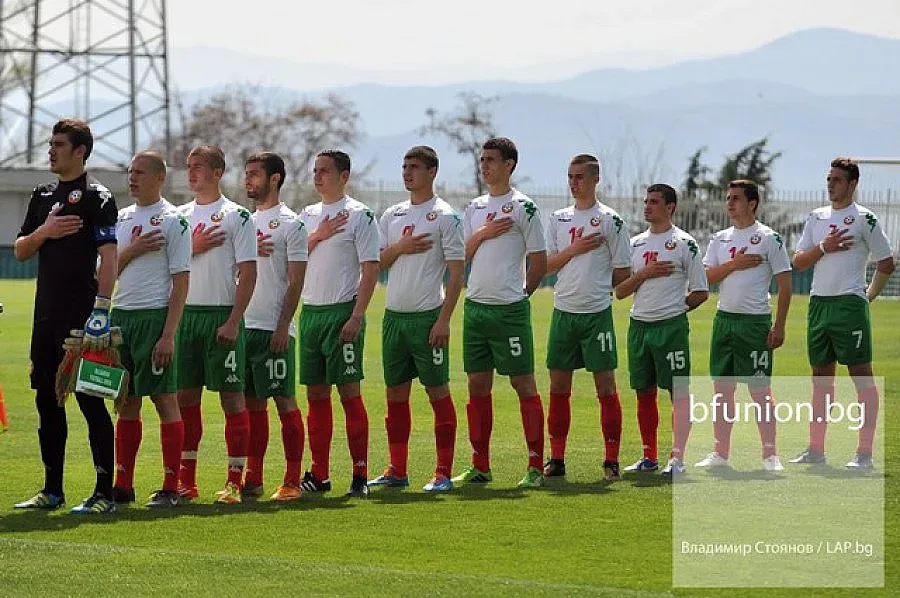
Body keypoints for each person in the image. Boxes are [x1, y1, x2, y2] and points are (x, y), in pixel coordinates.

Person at [13, 118, 119, 514]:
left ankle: (103, 494)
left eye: (59, 144)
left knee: (92, 400)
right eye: (51, 143)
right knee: (46, 399)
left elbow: (109, 256)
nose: (51, 150)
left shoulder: (98, 197)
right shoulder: (42, 195)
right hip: (46, 317)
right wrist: (46, 231)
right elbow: (22, 249)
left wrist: (102, 308)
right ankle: (51, 490)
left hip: (83, 316)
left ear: (80, 151)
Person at [453, 136, 548, 489]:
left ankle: (536, 466)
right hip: (476, 308)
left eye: (491, 160)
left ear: (509, 165)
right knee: (477, 385)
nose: (484, 165)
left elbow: (539, 262)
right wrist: (482, 233)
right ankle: (480, 465)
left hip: (509, 311)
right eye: (482, 159)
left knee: (523, 384)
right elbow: (461, 254)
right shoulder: (474, 208)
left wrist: (522, 297)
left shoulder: (524, 207)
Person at [368, 146, 464, 493]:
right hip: (394, 318)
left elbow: (456, 274)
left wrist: (444, 320)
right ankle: (397, 469)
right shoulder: (391, 215)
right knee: (395, 393)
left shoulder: (446, 217)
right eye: (404, 166)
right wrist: (400, 248)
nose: (407, 173)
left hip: (427, 318)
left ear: (433, 171)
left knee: (437, 391)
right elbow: (377, 263)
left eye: (415, 167)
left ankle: (442, 472)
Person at [790, 158, 895, 469]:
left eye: (837, 179)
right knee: (820, 379)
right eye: (829, 178)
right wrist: (824, 247)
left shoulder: (865, 219)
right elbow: (798, 262)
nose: (831, 184)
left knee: (861, 377)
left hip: (849, 305)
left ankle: (864, 454)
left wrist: (868, 295)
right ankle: (816, 450)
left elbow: (887, 263)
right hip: (818, 304)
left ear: (852, 184)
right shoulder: (816, 217)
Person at [176, 145, 257, 504]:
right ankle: (186, 482)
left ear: (218, 171)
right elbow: (169, 269)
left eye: (199, 167)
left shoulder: (236, 216)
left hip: (220, 316)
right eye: (189, 167)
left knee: (232, 397)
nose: (191, 173)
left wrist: (234, 321)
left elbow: (249, 273)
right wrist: (190, 247)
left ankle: (234, 482)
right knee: (184, 398)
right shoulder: (178, 216)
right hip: (185, 317)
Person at [109, 151, 191, 508]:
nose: (132, 177)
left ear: (159, 178)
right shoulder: (121, 218)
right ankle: (123, 484)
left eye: (139, 172)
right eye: (130, 171)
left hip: (154, 318)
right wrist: (133, 249)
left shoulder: (174, 220)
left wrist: (168, 334)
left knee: (164, 399)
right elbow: (107, 271)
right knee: (125, 400)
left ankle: (172, 486)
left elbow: (181, 282)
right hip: (120, 318)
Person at [297, 150, 380, 498]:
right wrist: (318, 234)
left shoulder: (360, 216)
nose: (318, 177)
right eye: (315, 171)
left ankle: (360, 475)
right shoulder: (307, 215)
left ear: (344, 176)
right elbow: (296, 256)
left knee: (349, 393)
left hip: (341, 313)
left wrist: (357, 315)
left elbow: (371, 268)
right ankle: (320, 473)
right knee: (316, 394)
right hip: (311, 314)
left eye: (325, 171)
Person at [543, 154, 630, 482]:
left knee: (605, 385)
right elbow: (547, 266)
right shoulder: (558, 219)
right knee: (558, 386)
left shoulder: (610, 220)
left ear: (595, 179)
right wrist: (574, 251)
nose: (573, 182)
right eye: (570, 176)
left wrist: (596, 282)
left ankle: (611, 460)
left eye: (580, 176)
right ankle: (557, 459)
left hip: (596, 315)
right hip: (563, 312)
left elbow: (622, 273)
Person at [697, 180, 792, 471]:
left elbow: (785, 284)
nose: (729, 203)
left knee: (759, 391)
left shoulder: (768, 238)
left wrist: (779, 325)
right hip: (724, 321)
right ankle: (720, 454)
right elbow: (706, 278)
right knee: (722, 390)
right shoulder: (720, 239)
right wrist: (733, 265)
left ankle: (770, 455)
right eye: (727, 198)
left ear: (752, 203)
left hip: (754, 324)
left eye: (735, 198)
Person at [615, 183, 708, 477]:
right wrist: (643, 274)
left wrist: (675, 311)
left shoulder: (684, 243)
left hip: (671, 328)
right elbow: (619, 291)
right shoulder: (635, 244)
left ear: (670, 208)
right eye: (646, 201)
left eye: (654, 202)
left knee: (678, 392)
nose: (647, 206)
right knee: (644, 391)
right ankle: (649, 456)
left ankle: (677, 458)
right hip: (639, 325)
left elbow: (701, 291)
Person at [242, 152, 308, 501]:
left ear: (275, 179)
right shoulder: (242, 223)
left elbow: (296, 281)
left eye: (254, 174)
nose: (247, 180)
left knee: (284, 401)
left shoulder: (291, 224)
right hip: (244, 327)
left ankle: (292, 480)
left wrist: (284, 326)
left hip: (273, 328)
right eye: (246, 174)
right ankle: (253, 478)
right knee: (252, 406)